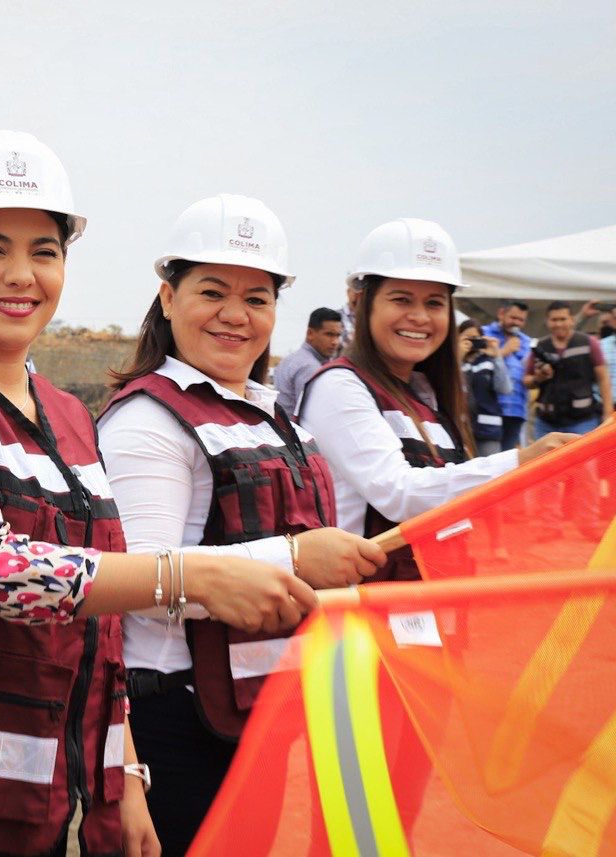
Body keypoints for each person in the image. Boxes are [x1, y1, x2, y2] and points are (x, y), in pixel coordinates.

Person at [0, 132, 316, 857]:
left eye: (44, 251)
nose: (21, 275)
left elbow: (100, 635)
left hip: (22, 793)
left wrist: (123, 779)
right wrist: (187, 573)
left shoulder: (70, 417)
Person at [99, 194, 384, 857]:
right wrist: (292, 557)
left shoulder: (268, 411)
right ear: (167, 298)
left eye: (257, 297)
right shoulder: (146, 422)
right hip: (174, 713)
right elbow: (135, 578)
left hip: (251, 706)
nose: (236, 314)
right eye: (212, 291)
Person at [300, 219, 572, 582]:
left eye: (434, 302)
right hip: (365, 613)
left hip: (430, 598)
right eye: (401, 299)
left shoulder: (427, 392)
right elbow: (398, 493)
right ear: (364, 304)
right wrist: (521, 462)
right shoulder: (339, 386)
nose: (420, 317)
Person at [524, 300, 614, 438]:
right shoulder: (539, 346)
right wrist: (538, 378)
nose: (558, 324)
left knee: (582, 459)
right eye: (554, 319)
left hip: (582, 419)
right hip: (546, 421)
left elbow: (603, 378)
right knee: (547, 459)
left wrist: (608, 412)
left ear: (572, 320)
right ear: (547, 321)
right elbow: (526, 381)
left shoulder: (589, 343)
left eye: (563, 319)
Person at [272, 306, 343, 415]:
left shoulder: (292, 359)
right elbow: (313, 415)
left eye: (338, 335)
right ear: (310, 333)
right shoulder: (310, 367)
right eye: (329, 334)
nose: (335, 342)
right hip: (296, 430)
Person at [481, 300, 531, 450]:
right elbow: (475, 364)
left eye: (521, 320)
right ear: (501, 313)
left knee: (507, 463)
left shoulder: (526, 341)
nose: (516, 323)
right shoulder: (484, 333)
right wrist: (505, 350)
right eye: (513, 318)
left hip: (516, 410)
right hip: (489, 408)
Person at [457, 319, 512, 456]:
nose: (472, 342)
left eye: (476, 338)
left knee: (492, 474)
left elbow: (505, 388)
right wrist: (458, 357)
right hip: (460, 429)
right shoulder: (451, 361)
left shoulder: (488, 361)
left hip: (488, 429)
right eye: (467, 338)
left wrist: (497, 355)